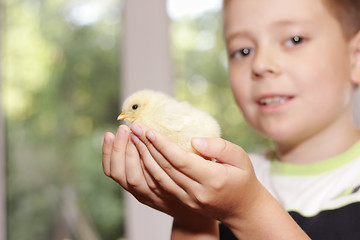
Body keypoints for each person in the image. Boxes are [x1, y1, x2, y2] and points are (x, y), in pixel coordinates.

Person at [102, 0, 360, 238]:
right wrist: (192, 217)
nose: (260, 64)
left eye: (294, 39)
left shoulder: (235, 192)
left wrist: (247, 210)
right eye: (243, 50)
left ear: (356, 57)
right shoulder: (225, 181)